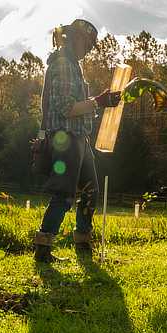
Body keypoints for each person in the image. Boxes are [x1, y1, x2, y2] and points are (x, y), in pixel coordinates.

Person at [33, 18, 121, 263]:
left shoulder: (73, 66)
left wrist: (98, 102)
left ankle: (83, 244)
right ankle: (43, 248)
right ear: (75, 38)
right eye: (88, 43)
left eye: (92, 45)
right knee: (64, 194)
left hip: (78, 139)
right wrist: (98, 102)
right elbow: (65, 108)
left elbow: (75, 105)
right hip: (65, 138)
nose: (90, 49)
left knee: (91, 190)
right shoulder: (63, 64)